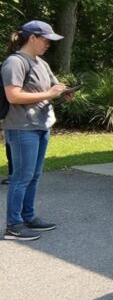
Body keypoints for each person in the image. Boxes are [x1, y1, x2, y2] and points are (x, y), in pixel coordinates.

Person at [2, 21, 66, 242]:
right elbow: (14, 96)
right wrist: (50, 94)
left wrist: (63, 92)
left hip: (40, 125)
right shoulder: (14, 62)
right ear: (32, 38)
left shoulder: (41, 62)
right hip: (21, 128)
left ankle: (28, 217)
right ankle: (13, 226)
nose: (48, 44)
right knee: (21, 177)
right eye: (46, 39)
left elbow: (51, 88)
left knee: (34, 176)